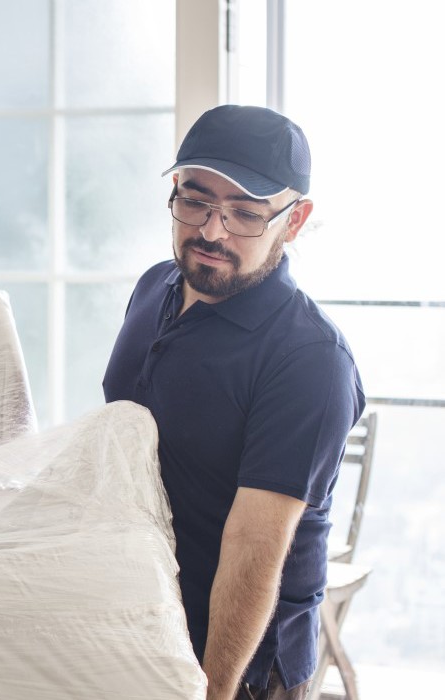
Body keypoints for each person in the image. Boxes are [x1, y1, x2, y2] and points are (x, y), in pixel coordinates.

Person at [102, 105, 364, 700]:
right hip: (138, 625)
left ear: (294, 221)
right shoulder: (153, 289)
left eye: (245, 214)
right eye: (195, 201)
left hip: (235, 662)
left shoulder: (309, 362)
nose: (212, 232)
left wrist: (213, 691)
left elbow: (255, 548)